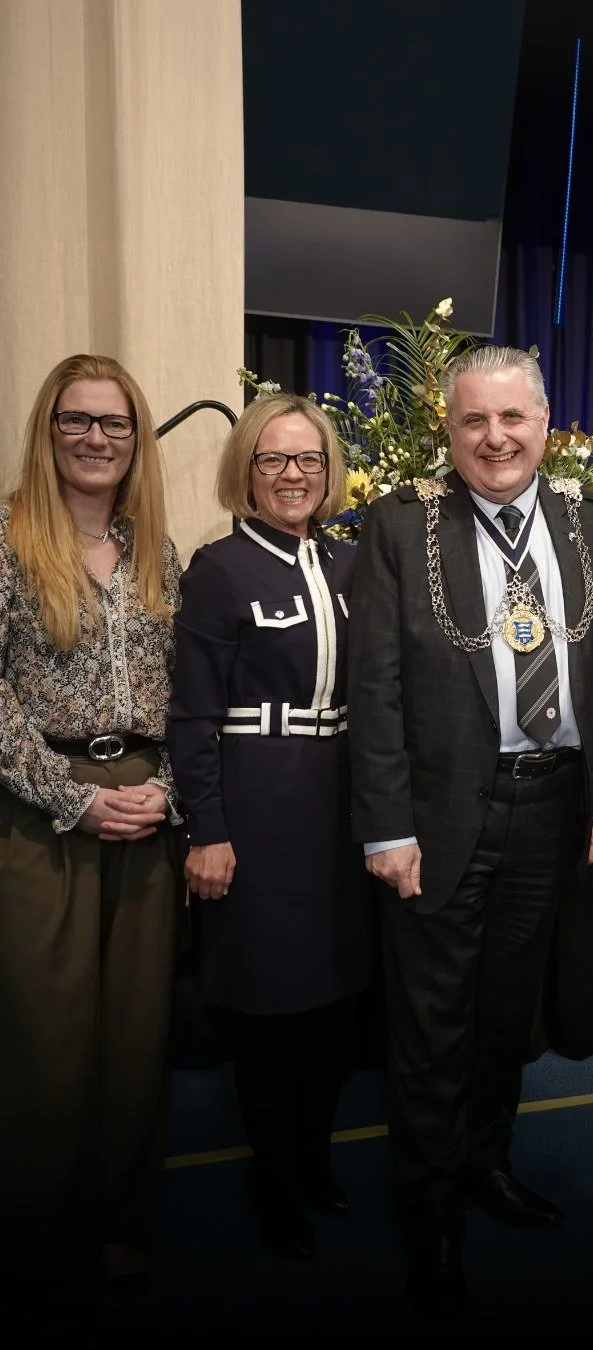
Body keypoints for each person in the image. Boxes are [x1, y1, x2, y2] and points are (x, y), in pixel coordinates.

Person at [348, 345, 593, 1319]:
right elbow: (372, 686)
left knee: (509, 1013)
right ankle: (427, 1211)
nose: (496, 438)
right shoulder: (398, 525)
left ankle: (486, 1165)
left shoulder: (589, 520)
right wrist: (384, 826)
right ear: (449, 430)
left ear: (545, 425)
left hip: (552, 807)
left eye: (514, 420)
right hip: (436, 818)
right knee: (431, 1027)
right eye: (476, 422)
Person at [0, 354, 184, 1331]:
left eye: (115, 423)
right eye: (78, 420)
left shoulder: (155, 551)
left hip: (146, 807)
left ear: (135, 438)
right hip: (42, 812)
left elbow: (196, 694)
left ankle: (121, 1220)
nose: (96, 438)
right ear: (51, 427)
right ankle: (35, 1234)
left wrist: (167, 789)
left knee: (133, 1038)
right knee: (46, 1037)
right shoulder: (8, 541)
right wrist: (70, 797)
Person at [167, 393, 371, 1263]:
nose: (294, 475)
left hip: (342, 810)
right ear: (245, 470)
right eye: (275, 460)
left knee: (333, 1009)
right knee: (268, 1016)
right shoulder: (218, 571)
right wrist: (205, 828)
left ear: (329, 472)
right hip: (256, 808)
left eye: (310, 460)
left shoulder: (354, 562)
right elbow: (190, 717)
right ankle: (273, 1177)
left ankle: (313, 1160)